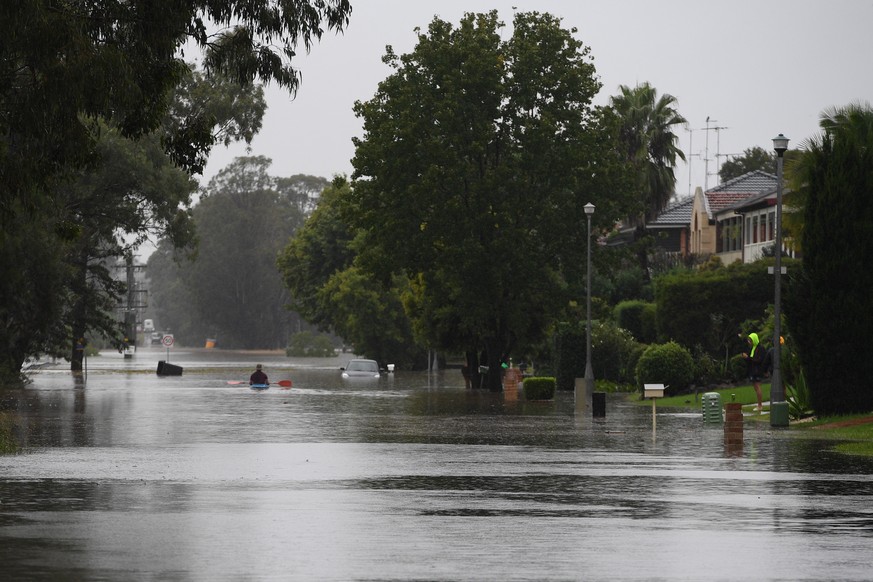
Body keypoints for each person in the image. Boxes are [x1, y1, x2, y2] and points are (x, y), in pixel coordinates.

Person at [741, 333, 765, 413]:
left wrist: (749, 358)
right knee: (755, 387)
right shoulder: (752, 349)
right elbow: (751, 360)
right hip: (752, 370)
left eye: (750, 340)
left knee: (758, 387)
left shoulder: (760, 348)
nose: (749, 342)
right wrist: (746, 358)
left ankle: (760, 405)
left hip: (757, 370)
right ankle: (759, 404)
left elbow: (759, 360)